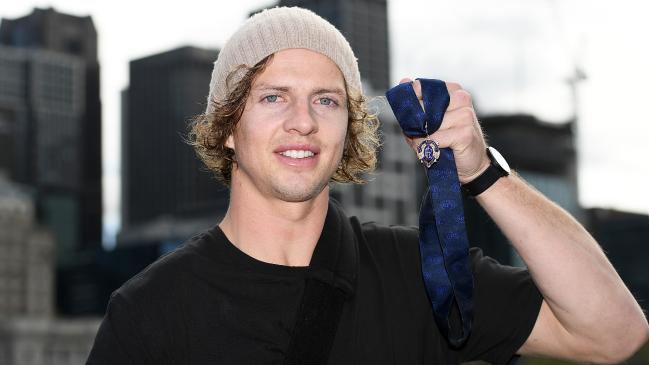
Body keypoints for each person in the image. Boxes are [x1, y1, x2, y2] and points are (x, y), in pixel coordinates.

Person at [86, 6, 648, 365]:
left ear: (348, 129)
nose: (302, 120)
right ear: (228, 127)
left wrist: (482, 172)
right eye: (273, 96)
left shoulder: (422, 274)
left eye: (326, 100)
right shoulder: (150, 313)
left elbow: (613, 334)